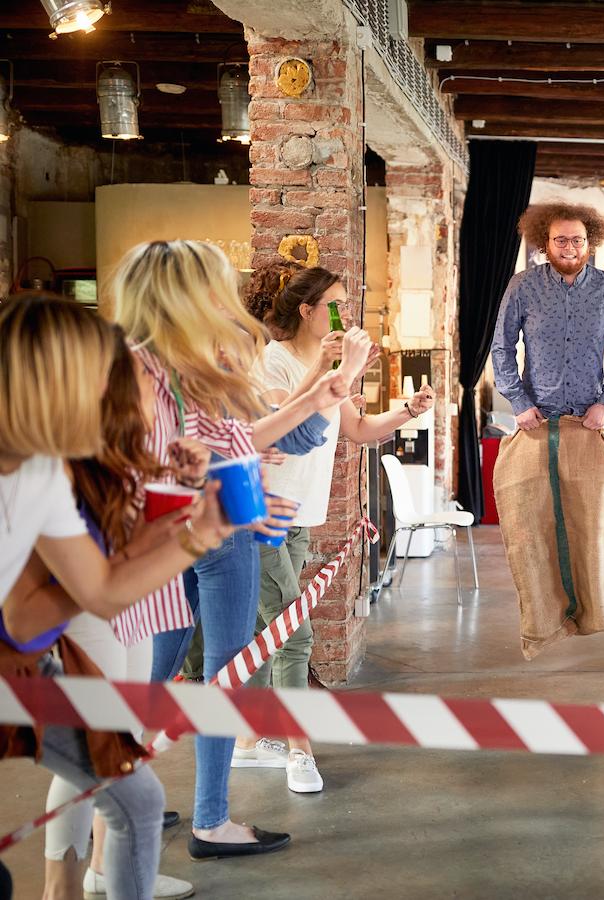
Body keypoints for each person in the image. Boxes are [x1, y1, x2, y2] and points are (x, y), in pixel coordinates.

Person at [111, 240, 352, 861]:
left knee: (169, 669)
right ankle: (198, 820)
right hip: (190, 538)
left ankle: (130, 799)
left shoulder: (170, 362)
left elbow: (237, 441)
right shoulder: (156, 369)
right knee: (209, 671)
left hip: (187, 539)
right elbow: (179, 463)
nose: (229, 299)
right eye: (217, 285)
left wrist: (327, 392)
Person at [0, 295, 237, 900]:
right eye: (98, 382)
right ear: (45, 384)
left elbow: (95, 592)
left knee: (135, 797)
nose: (113, 400)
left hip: (19, 662)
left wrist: (194, 535)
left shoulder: (43, 470)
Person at [232, 262, 433, 794]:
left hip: (299, 517)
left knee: (265, 633)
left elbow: (360, 431)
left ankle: (246, 741)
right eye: (335, 304)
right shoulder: (272, 362)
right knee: (293, 634)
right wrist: (325, 371)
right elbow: (278, 422)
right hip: (264, 514)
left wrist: (407, 412)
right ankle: (300, 753)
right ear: (306, 311)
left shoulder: (335, 369)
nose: (344, 313)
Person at [39, 336, 195, 900]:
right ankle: (65, 889)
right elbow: (97, 589)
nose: (153, 400)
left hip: (66, 634)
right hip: (51, 648)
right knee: (129, 787)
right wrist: (199, 533)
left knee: (117, 764)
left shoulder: (98, 461)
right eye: (141, 387)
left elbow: (114, 562)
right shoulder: (46, 469)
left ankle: (71, 887)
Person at [491, 202, 604, 432]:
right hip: (536, 419)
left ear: (590, 242)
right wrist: (519, 402)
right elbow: (501, 346)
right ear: (545, 242)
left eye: (577, 240)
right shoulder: (522, 286)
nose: (569, 247)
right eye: (560, 240)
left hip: (589, 419)